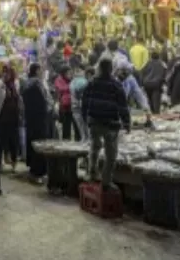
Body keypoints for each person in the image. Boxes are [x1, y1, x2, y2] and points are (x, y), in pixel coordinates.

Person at [82, 58, 130, 190]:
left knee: (94, 148)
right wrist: (127, 123)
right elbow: (123, 107)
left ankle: (92, 173)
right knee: (111, 155)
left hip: (94, 122)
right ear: (111, 69)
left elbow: (84, 102)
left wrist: (85, 118)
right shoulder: (116, 85)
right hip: (110, 124)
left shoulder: (92, 83)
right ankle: (106, 181)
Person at [22, 63, 52, 182]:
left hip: (30, 119)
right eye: (41, 69)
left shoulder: (26, 83)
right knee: (40, 143)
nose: (42, 72)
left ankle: (33, 169)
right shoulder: (37, 84)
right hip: (40, 119)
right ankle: (38, 171)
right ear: (37, 70)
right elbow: (44, 102)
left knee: (32, 142)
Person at [0, 65, 23, 170]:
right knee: (0, 142)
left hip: (14, 119)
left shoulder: (15, 85)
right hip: (1, 119)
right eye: (3, 72)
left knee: (14, 142)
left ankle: (14, 162)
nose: (5, 74)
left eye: (7, 72)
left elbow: (19, 101)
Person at [70, 67, 95, 141]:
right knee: (87, 128)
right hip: (84, 108)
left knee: (82, 129)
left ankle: (85, 141)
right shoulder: (85, 82)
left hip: (77, 107)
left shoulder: (74, 82)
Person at [53, 66, 76, 141]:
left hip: (72, 105)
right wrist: (71, 86)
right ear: (64, 73)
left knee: (73, 125)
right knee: (66, 126)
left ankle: (73, 140)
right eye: (68, 73)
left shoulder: (71, 80)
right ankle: (66, 140)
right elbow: (61, 89)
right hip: (64, 107)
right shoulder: (59, 80)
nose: (70, 74)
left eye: (70, 73)